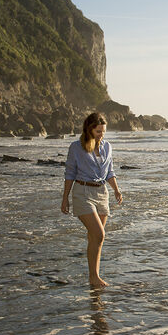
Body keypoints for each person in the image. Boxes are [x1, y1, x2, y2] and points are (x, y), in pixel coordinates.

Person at [61, 112, 123, 288]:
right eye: (98, 131)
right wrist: (65, 198)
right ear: (89, 130)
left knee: (95, 238)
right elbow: (70, 173)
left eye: (103, 131)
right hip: (83, 192)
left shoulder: (107, 147)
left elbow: (109, 171)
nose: (101, 135)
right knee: (99, 234)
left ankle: (94, 276)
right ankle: (94, 277)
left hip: (102, 193)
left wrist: (117, 190)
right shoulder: (76, 147)